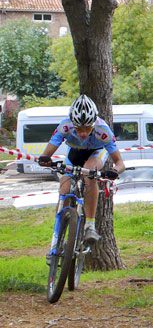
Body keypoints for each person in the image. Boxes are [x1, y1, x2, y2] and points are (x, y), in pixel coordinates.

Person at [38, 94, 125, 243]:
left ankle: (90, 226)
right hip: (74, 155)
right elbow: (45, 155)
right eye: (79, 129)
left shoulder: (103, 130)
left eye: (88, 128)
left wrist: (115, 171)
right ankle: (58, 234)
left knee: (89, 172)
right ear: (73, 123)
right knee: (64, 191)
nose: (83, 133)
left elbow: (120, 163)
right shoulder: (65, 126)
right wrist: (45, 160)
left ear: (94, 124)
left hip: (95, 154)